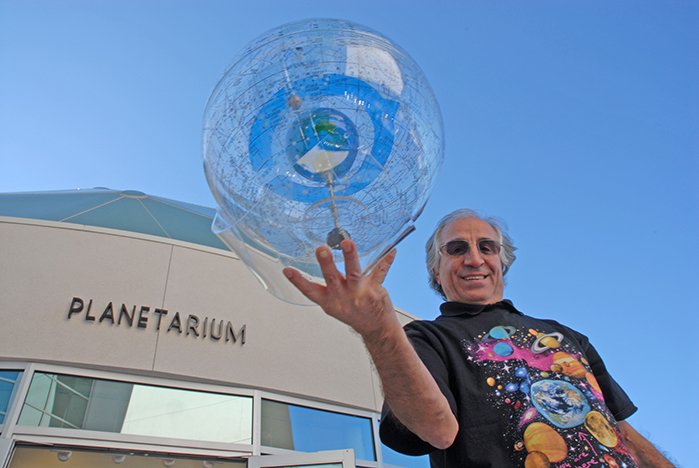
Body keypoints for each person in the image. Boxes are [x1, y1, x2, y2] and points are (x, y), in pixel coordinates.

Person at [283, 209, 676, 467]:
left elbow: (623, 432)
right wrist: (377, 328)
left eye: (486, 247)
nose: (474, 259)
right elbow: (437, 431)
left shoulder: (567, 335)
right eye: (456, 249)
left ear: (501, 261)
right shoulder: (426, 338)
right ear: (436, 272)